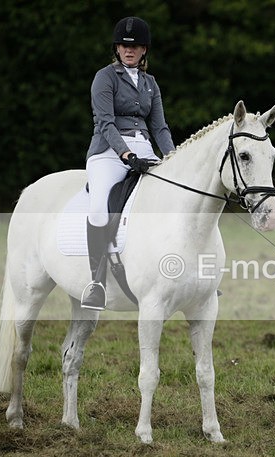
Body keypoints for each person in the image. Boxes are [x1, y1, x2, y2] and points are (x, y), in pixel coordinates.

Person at [81, 16, 176, 310]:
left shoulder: (150, 83)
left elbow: (159, 127)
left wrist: (173, 159)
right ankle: (96, 282)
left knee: (172, 199)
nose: (129, 50)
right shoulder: (105, 77)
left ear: (144, 49)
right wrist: (126, 155)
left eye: (135, 46)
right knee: (99, 207)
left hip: (144, 149)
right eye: (124, 45)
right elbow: (105, 123)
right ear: (117, 48)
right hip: (109, 152)